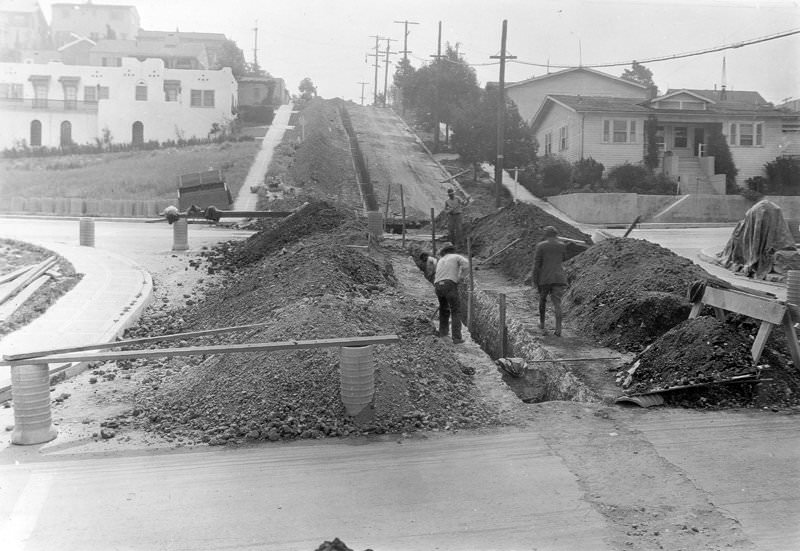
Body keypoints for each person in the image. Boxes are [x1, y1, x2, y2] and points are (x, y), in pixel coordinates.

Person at [531, 226, 567, 337]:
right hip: (558, 277)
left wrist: (534, 279)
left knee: (542, 300)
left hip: (545, 278)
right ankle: (558, 329)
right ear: (556, 234)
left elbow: (537, 265)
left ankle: (542, 324)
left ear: (546, 234)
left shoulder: (541, 246)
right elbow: (564, 258)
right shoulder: (562, 245)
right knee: (557, 303)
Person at [433, 242, 470, 344]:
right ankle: (457, 337)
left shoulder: (441, 260)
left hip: (438, 285)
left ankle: (443, 333)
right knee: (455, 310)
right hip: (449, 284)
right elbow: (467, 265)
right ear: (453, 251)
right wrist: (461, 278)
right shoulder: (456, 257)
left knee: (444, 310)